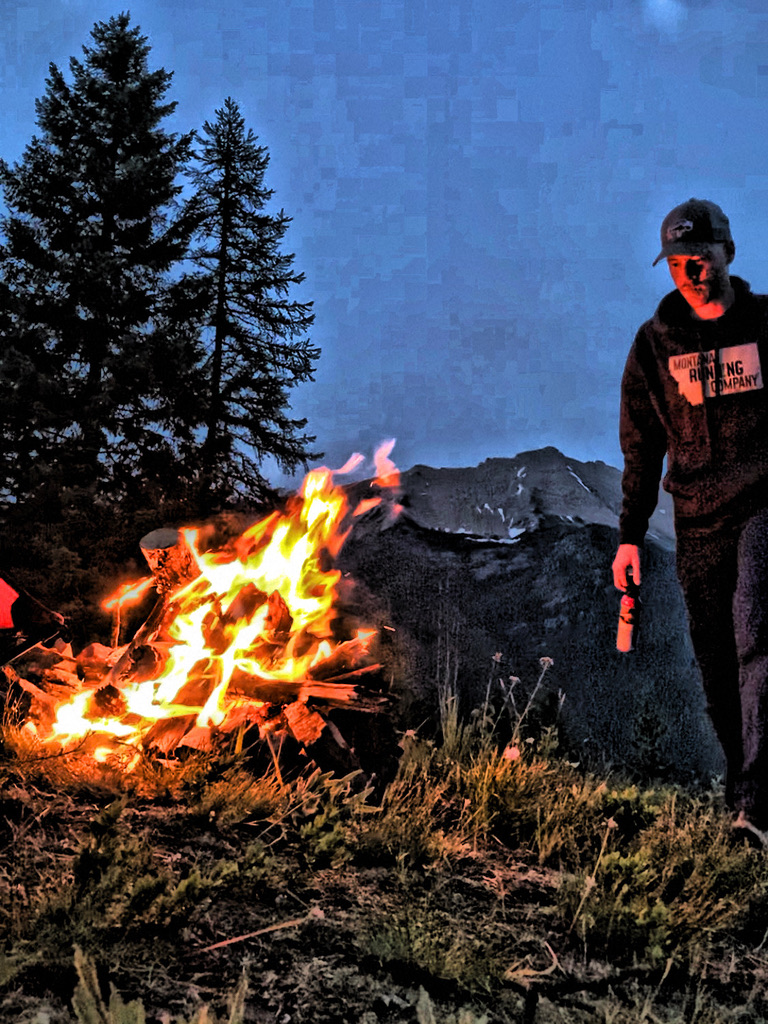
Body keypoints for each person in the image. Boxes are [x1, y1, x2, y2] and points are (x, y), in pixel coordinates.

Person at [612, 197, 768, 847]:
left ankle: (756, 803)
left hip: (762, 505)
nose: (691, 272)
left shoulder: (764, 325)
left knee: (757, 634)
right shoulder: (654, 346)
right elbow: (641, 447)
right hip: (696, 522)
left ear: (727, 253)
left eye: (700, 258)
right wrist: (629, 537)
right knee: (714, 661)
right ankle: (744, 800)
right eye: (678, 262)